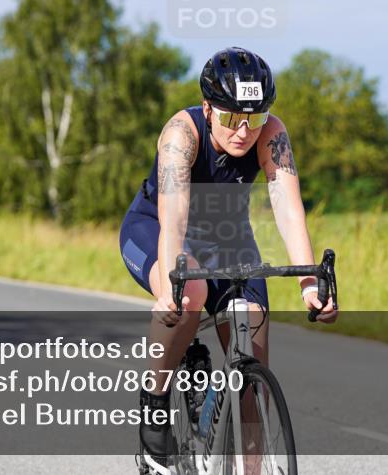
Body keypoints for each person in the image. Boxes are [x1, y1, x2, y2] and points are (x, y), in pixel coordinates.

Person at [119, 47, 337, 464]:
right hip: (157, 229)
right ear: (207, 107)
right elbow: (174, 213)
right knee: (191, 291)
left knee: (253, 378)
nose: (243, 131)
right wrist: (169, 283)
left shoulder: (272, 134)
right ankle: (155, 399)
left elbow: (288, 206)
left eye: (253, 118)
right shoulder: (180, 135)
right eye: (232, 118)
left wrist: (310, 282)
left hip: (229, 240)